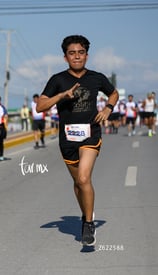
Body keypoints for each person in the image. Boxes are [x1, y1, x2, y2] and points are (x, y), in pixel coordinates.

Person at [36, 35, 119, 246]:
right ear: (65, 57)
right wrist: (62, 96)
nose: (77, 57)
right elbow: (41, 106)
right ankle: (86, 214)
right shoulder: (57, 80)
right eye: (72, 53)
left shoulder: (96, 78)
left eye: (80, 52)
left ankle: (88, 224)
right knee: (77, 183)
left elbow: (114, 93)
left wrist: (108, 108)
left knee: (83, 178)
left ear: (86, 55)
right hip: (68, 139)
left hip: (90, 134)